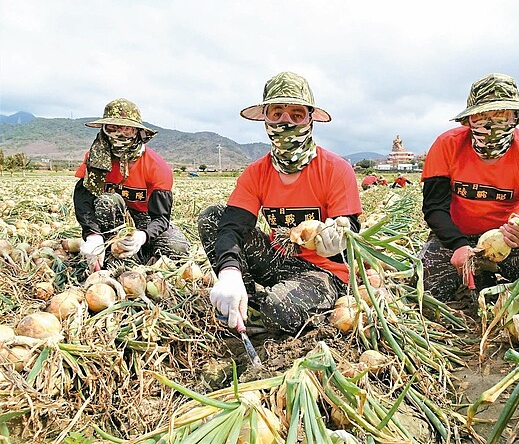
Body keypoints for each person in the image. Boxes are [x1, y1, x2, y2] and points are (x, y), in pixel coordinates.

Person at [198, 71, 362, 334]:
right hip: (278, 259)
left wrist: (341, 237)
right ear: (265, 118)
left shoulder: (336, 169)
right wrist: (229, 271)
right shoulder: (256, 173)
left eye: (296, 115)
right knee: (213, 217)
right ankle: (247, 303)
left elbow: (351, 230)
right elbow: (232, 226)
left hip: (325, 272)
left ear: (310, 119)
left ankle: (284, 306)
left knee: (278, 310)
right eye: (277, 114)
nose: (286, 122)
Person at [420, 73, 519, 301]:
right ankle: (481, 277)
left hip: (509, 241)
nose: (492, 124)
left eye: (502, 116)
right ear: (470, 120)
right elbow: (434, 208)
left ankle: (492, 278)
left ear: (515, 118)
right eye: (483, 116)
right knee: (430, 291)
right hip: (456, 235)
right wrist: (458, 244)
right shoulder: (447, 145)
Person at [74, 98, 190, 271]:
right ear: (104, 130)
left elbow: (161, 218)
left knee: (177, 249)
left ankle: (139, 252)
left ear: (137, 132)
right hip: (110, 218)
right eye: (113, 129)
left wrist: (143, 235)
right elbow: (83, 198)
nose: (119, 134)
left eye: (126, 129)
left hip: (145, 218)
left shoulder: (157, 166)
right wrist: (92, 234)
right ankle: (111, 251)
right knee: (109, 200)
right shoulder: (95, 158)